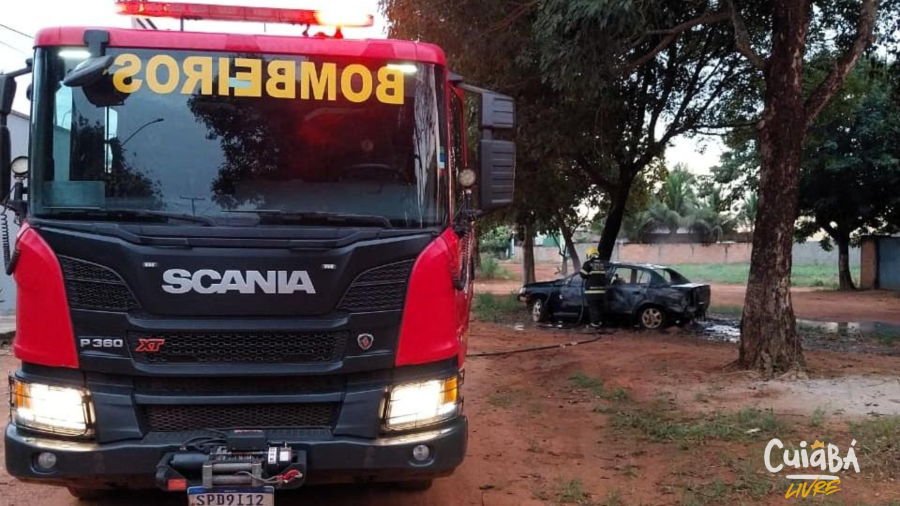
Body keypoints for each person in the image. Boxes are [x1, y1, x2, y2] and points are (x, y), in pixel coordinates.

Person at [580, 247, 609, 328]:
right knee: (600, 307)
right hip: (602, 291)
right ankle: (600, 322)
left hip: (591, 291)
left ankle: (594, 324)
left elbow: (583, 275)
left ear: (589, 254)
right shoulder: (602, 264)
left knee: (593, 308)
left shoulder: (588, 263)